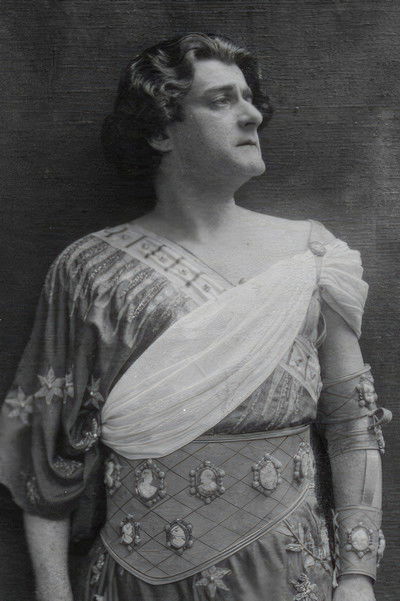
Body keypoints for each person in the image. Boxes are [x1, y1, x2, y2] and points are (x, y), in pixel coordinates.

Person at [0, 33, 391, 601]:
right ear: (160, 131)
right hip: (136, 580)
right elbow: (42, 448)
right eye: (221, 100)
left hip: (285, 576)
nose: (252, 114)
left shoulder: (313, 257)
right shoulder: (91, 270)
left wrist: (356, 579)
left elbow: (353, 426)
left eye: (249, 98)